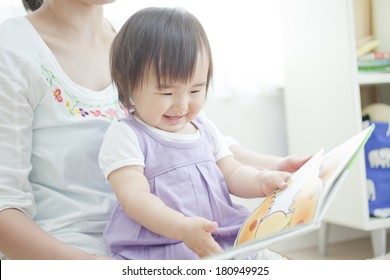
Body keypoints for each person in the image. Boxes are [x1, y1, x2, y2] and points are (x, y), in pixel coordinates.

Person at [0, 0, 308, 260]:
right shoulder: (12, 50)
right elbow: (5, 208)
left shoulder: (139, 40)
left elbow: (200, 140)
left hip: (181, 236)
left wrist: (274, 169)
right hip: (80, 250)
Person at [98, 7, 293, 260]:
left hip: (219, 236)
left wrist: (261, 180)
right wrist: (181, 228)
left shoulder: (205, 128)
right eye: (167, 93)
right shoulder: (126, 135)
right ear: (128, 84)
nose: (181, 105)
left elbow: (232, 172)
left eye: (195, 90)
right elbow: (134, 198)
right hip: (162, 245)